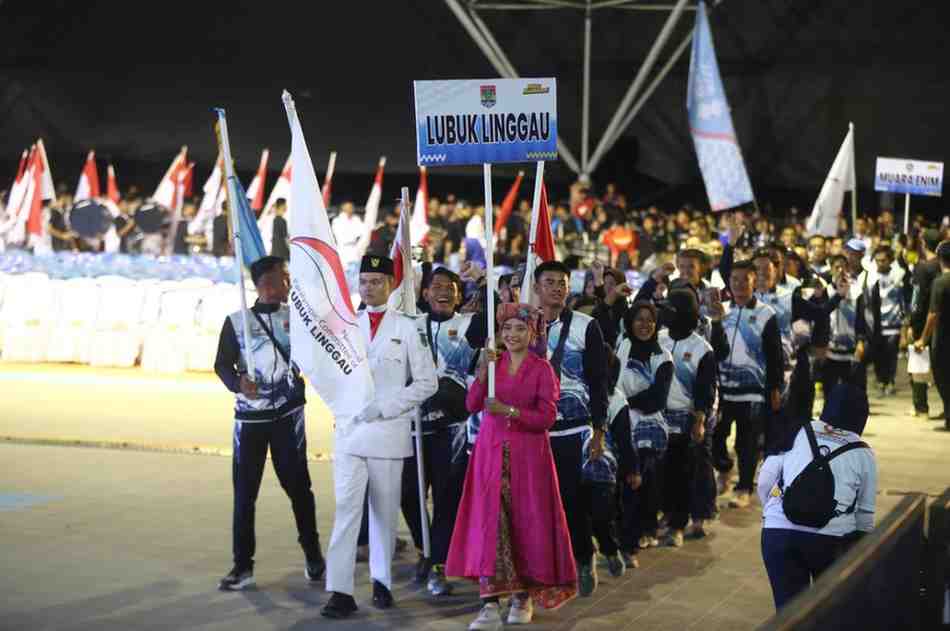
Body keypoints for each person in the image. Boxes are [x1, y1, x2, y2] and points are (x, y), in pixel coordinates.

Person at [448, 303, 577, 630]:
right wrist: (482, 372)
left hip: (529, 459)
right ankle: (489, 604)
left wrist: (509, 411)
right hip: (490, 456)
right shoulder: (493, 364)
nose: (512, 335)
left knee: (525, 524)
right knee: (490, 524)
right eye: (507, 329)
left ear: (532, 333)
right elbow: (471, 404)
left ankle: (522, 597)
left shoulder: (542, 369)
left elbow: (546, 417)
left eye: (520, 328)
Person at [322, 254, 438, 618]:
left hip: (388, 432)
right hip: (350, 431)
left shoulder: (409, 327)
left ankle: (381, 582)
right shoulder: (345, 326)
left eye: (376, 281)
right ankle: (340, 590)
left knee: (384, 513)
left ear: (391, 285)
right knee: (346, 510)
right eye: (364, 281)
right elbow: (331, 377)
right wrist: (341, 408)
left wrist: (386, 407)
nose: (368, 287)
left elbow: (427, 382)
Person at [213, 256, 324, 591]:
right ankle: (242, 566)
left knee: (299, 489)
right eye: (282, 279)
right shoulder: (237, 322)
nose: (287, 284)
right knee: (245, 494)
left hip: (288, 418)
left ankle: (313, 556)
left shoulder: (297, 317)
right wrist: (238, 383)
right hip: (250, 420)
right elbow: (222, 365)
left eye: (288, 278)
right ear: (264, 284)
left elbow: (316, 357)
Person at [758, 384, 877, 609]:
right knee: (829, 610)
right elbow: (865, 517)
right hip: (831, 541)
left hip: (779, 533)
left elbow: (766, 477)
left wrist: (769, 511)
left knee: (789, 611)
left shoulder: (799, 429)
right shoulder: (863, 452)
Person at [401, 267, 482, 596]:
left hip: (452, 429)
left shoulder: (467, 326)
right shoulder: (410, 326)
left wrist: (484, 281)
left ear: (460, 296)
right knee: (408, 494)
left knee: (447, 497)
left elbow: (495, 317)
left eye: (451, 287)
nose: (444, 291)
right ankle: (426, 547)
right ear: (425, 293)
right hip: (413, 427)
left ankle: (438, 564)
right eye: (436, 286)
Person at [532, 260, 610, 596]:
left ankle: (583, 556)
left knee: (572, 500)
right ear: (536, 287)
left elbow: (598, 380)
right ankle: (545, 565)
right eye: (549, 282)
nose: (556, 288)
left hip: (573, 430)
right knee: (536, 503)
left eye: (561, 282)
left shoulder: (586, 325)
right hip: (532, 430)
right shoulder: (524, 323)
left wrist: (599, 429)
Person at [712, 260, 784, 509]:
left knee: (747, 442)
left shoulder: (766, 314)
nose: (740, 284)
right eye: (735, 279)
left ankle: (744, 487)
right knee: (716, 436)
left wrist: (775, 388)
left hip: (753, 391)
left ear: (755, 281)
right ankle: (724, 468)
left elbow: (775, 355)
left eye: (745, 279)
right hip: (723, 389)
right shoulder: (721, 311)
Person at [659, 289, 718, 546]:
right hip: (660, 419)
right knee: (665, 472)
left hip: (688, 419)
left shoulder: (701, 348)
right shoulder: (658, 339)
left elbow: (705, 390)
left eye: (671, 310)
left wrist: (699, 421)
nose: (665, 314)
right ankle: (668, 514)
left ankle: (679, 525)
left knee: (686, 473)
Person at [914, 241, 950, 430]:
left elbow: (933, 314)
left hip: (943, 338)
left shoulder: (940, 283)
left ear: (940, 259)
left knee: (942, 376)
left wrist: (923, 338)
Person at [868, 245, 910, 396]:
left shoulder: (899, 276)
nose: (880, 263)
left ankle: (890, 381)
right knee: (878, 355)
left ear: (890, 260)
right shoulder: (870, 277)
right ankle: (881, 380)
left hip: (893, 324)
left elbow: (904, 303)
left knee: (891, 355)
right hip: (876, 325)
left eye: (883, 260)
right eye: (877, 260)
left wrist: (905, 327)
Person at [908, 230, 942, 417]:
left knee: (918, 364)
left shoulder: (922, 268)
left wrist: (912, 323)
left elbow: (916, 299)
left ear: (923, 243)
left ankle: (920, 406)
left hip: (923, 323)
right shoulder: (943, 266)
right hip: (943, 323)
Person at [331, 201, 363, 266]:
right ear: (343, 209)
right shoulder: (337, 220)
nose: (350, 210)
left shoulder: (356, 219)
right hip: (343, 249)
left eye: (351, 208)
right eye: (348, 208)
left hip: (354, 249)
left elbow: (361, 233)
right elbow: (337, 234)